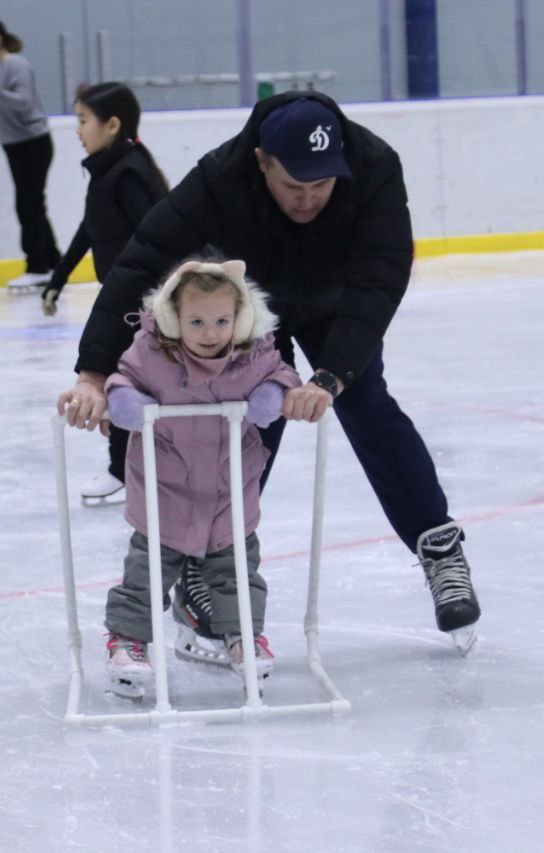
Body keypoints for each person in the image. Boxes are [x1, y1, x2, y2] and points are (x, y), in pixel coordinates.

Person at [56, 92, 483, 655]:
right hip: (253, 309)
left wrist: (332, 373)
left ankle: (438, 546)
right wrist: (93, 370)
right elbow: (144, 260)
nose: (308, 200)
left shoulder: (374, 166)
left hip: (339, 300)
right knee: (244, 423)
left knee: (365, 403)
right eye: (292, 186)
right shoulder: (221, 176)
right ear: (261, 162)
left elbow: (381, 277)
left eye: (321, 186)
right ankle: (206, 576)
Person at [99, 259, 301, 698]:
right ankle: (128, 641)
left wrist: (273, 393)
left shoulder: (253, 354)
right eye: (196, 321)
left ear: (240, 317)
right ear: (173, 318)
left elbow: (282, 374)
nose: (210, 332)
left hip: (230, 490)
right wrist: (124, 400)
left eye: (221, 321)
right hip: (165, 491)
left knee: (238, 574)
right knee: (147, 573)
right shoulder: (153, 355)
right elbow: (122, 378)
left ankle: (244, 636)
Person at [43, 82, 170, 507]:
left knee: (123, 380)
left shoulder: (129, 172)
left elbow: (155, 235)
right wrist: (57, 279)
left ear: (112, 124)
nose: (77, 130)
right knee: (123, 379)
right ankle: (129, 469)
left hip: (142, 301)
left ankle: (124, 472)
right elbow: (89, 229)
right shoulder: (108, 169)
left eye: (83, 120)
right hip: (124, 296)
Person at [0, 18, 61, 292]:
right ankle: (53, 259)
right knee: (32, 203)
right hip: (16, 144)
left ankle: (37, 267)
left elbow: (23, 101)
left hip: (32, 142)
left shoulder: (14, 64)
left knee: (28, 204)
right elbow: (3, 107)